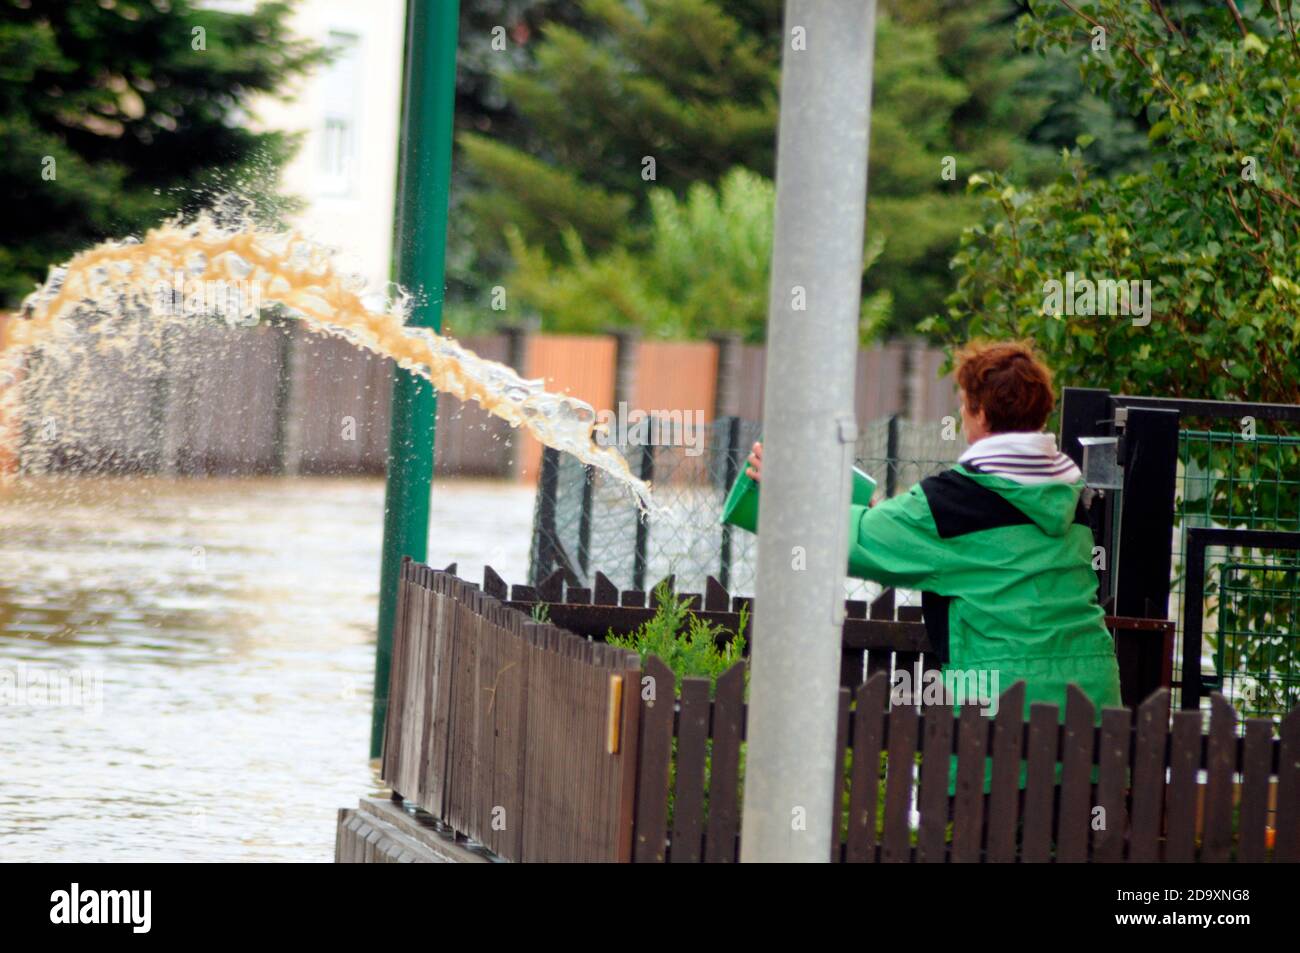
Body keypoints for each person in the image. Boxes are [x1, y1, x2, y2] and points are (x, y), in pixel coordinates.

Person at [744, 339, 1122, 722]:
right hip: (1091, 703)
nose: (960, 414)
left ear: (981, 415)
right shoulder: (1070, 496)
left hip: (1002, 710)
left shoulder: (954, 501)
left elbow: (855, 541)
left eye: (964, 404)